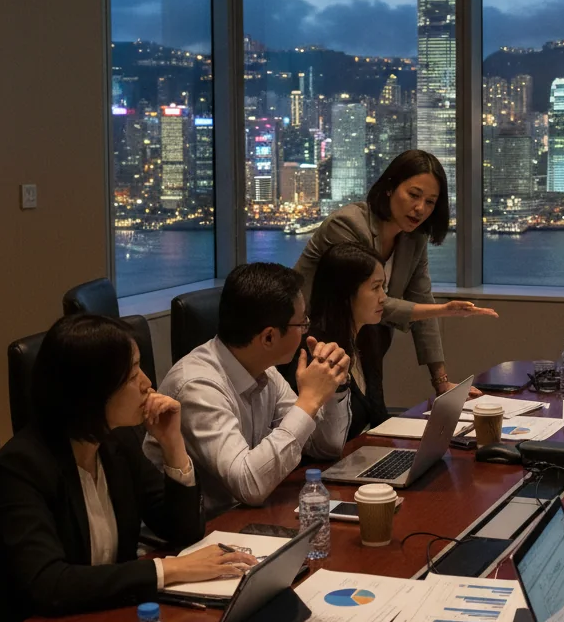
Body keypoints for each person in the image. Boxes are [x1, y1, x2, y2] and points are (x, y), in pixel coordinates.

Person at [0, 315, 255, 622]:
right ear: (92, 391)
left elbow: (183, 530)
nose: (147, 383)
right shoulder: (21, 466)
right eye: (133, 374)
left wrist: (173, 444)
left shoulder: (116, 443)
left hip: (110, 617)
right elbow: (49, 582)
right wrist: (170, 569)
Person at [148, 263, 350, 518]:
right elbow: (249, 486)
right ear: (269, 337)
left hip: (241, 519)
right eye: (302, 323)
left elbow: (326, 447)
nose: (305, 330)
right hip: (198, 530)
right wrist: (308, 401)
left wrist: (333, 387)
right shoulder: (198, 387)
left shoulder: (264, 370)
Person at [294, 150, 497, 396]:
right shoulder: (348, 224)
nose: (420, 208)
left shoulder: (414, 238)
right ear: (390, 188)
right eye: (414, 195)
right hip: (311, 339)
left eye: (430, 202)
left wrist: (442, 382)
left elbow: (421, 298)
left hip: (365, 342)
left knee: (373, 412)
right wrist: (443, 310)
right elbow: (364, 301)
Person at [284, 242, 388, 440]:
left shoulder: (370, 336)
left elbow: (378, 415)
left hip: (367, 451)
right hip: (329, 456)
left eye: (383, 286)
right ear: (346, 293)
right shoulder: (314, 348)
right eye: (376, 287)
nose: (383, 297)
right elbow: (310, 437)